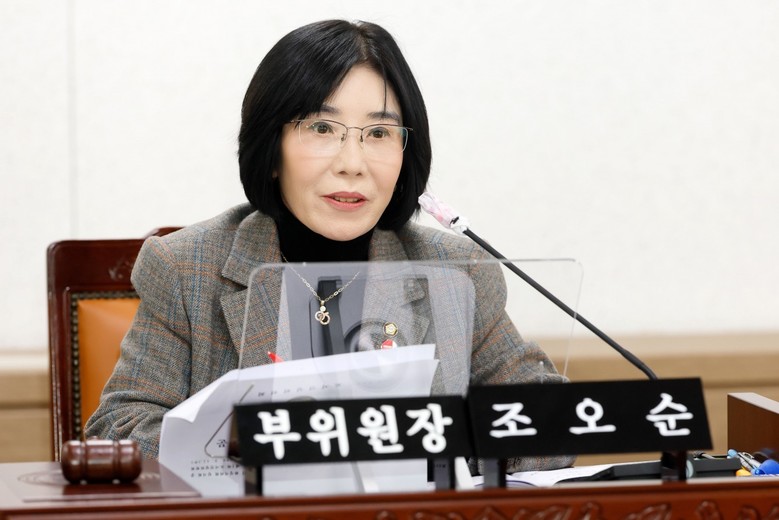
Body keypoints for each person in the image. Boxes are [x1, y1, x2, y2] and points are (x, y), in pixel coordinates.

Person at [86, 19, 574, 473]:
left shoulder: (456, 271)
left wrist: (443, 444)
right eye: (322, 128)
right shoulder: (186, 267)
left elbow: (550, 423)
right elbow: (119, 429)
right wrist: (251, 444)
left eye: (379, 133)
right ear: (271, 148)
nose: (352, 163)